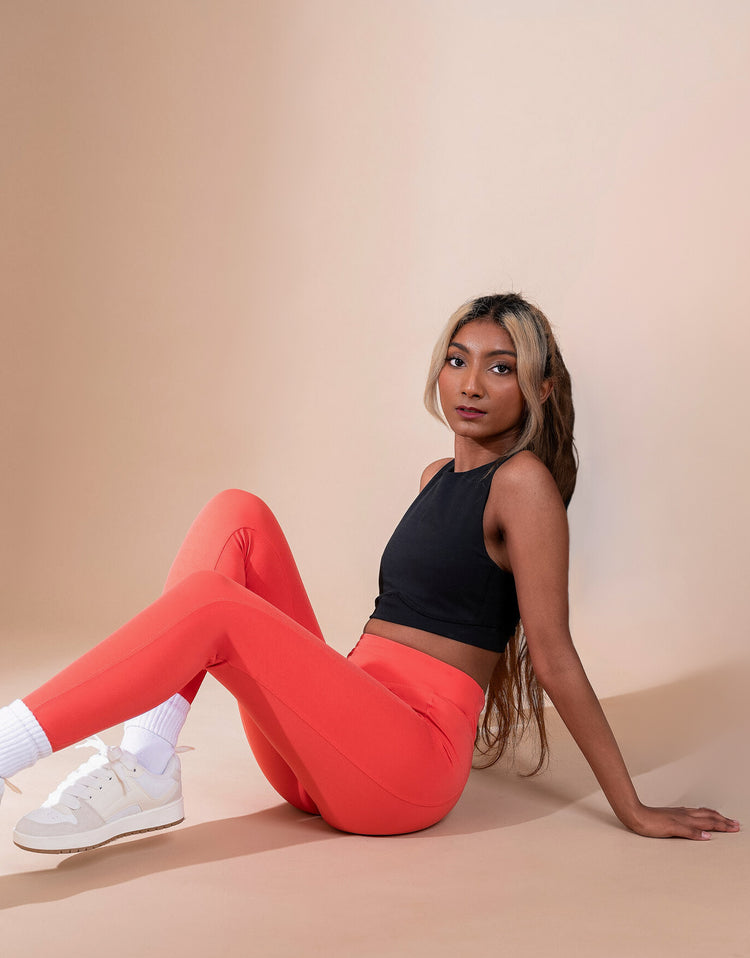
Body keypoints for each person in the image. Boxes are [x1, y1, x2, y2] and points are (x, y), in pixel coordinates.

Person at [0, 293, 739, 854]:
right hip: (330, 747)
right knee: (237, 514)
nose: (472, 383)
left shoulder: (524, 486)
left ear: (539, 390)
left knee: (213, 607)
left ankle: (14, 746)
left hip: (404, 767)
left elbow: (553, 656)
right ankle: (148, 763)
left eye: (501, 366)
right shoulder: (434, 477)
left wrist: (632, 807)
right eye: (458, 360)